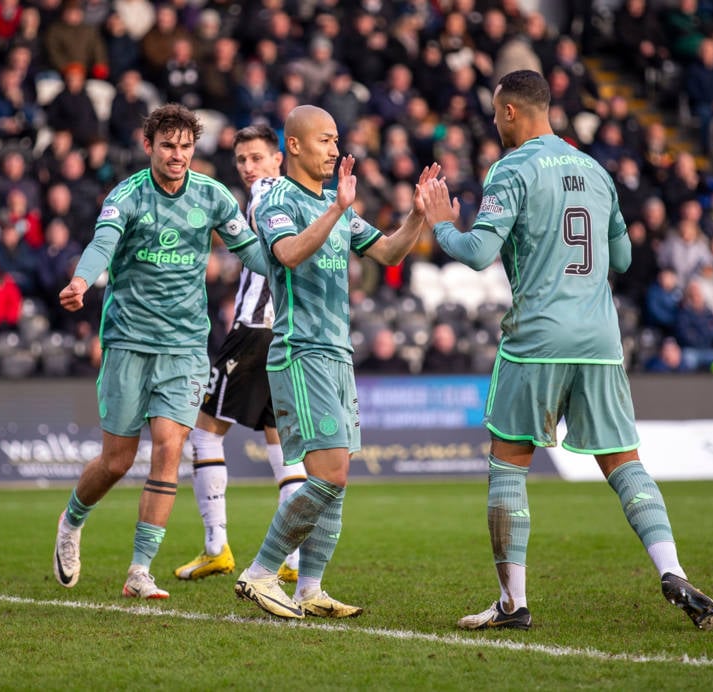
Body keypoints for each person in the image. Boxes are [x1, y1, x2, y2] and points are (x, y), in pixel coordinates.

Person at [420, 70, 713, 632]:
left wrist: (441, 224)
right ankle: (672, 568)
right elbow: (625, 262)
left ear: (510, 112)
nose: (493, 123)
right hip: (602, 341)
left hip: (538, 336)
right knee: (624, 463)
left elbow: (477, 251)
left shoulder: (511, 169)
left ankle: (513, 604)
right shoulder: (596, 170)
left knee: (508, 463)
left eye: (495, 113)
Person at [52, 104, 268, 600]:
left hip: (186, 346)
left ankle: (139, 571)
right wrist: (83, 279)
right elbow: (102, 242)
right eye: (168, 146)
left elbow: (251, 250)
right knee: (116, 461)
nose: (178, 155)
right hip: (129, 340)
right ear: (149, 146)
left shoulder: (212, 196)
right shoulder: (127, 195)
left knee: (170, 448)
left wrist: (289, 262)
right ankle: (72, 520)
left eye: (186, 146)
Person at [234, 104, 438, 620]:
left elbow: (390, 253)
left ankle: (310, 588)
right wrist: (334, 211)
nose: (334, 149)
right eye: (325, 140)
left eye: (336, 139)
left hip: (336, 352)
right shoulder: (277, 198)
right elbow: (286, 253)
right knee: (329, 475)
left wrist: (417, 214)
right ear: (295, 145)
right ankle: (260, 573)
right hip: (300, 351)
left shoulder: (337, 203)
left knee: (338, 476)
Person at [173, 124, 308, 583]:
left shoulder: (267, 192)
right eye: (242, 161)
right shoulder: (300, 195)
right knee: (282, 445)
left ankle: (217, 547)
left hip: (253, 332)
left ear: (277, 159)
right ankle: (293, 559)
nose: (249, 168)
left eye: (256, 158)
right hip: (288, 335)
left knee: (205, 433)